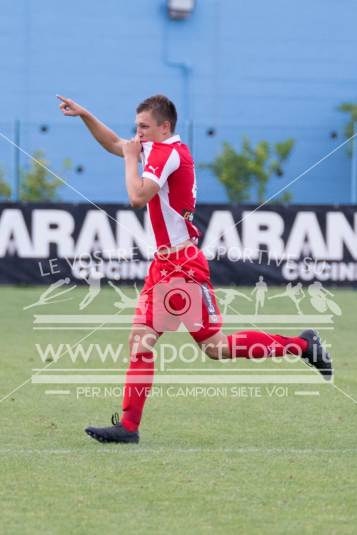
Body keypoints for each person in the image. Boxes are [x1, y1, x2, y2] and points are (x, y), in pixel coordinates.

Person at [57, 94, 333, 444]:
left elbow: (137, 196)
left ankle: (302, 345)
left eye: (143, 127)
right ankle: (128, 427)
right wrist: (85, 116)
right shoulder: (157, 148)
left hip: (181, 267)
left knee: (202, 346)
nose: (136, 134)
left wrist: (130, 160)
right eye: (136, 127)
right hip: (165, 263)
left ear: (164, 126)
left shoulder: (166, 152)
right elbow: (115, 143)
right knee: (168, 343)